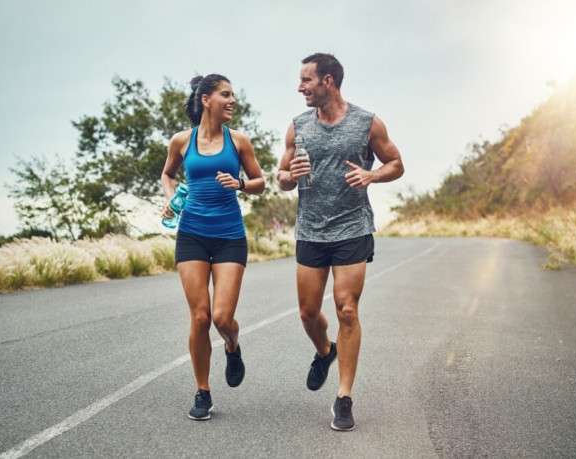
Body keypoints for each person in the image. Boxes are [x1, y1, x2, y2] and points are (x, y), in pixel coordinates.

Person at [277, 53, 404, 431]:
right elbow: (281, 176)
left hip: (352, 227)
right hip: (311, 230)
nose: (300, 87)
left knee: (347, 309)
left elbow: (396, 163)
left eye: (306, 81)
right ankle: (324, 350)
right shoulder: (298, 126)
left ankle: (344, 397)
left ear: (328, 81)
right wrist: (288, 176)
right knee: (307, 312)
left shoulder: (366, 123)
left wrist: (371, 176)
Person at [161, 73, 266, 421]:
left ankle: (232, 345)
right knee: (200, 316)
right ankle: (203, 391)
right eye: (226, 94)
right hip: (191, 233)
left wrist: (238, 183)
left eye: (233, 94)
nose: (232, 100)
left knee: (222, 317)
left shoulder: (238, 142)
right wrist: (171, 200)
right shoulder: (181, 140)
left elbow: (260, 183)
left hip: (229, 236)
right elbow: (168, 175)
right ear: (206, 99)